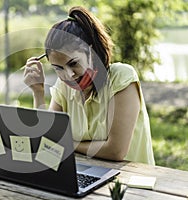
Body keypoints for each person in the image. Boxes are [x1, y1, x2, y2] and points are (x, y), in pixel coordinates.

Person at [23, 6, 155, 165]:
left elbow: (116, 151)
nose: (69, 75)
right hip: (86, 174)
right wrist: (38, 92)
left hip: (131, 182)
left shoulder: (121, 77)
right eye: (59, 68)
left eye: (74, 63)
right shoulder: (63, 87)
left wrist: (68, 144)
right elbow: (47, 139)